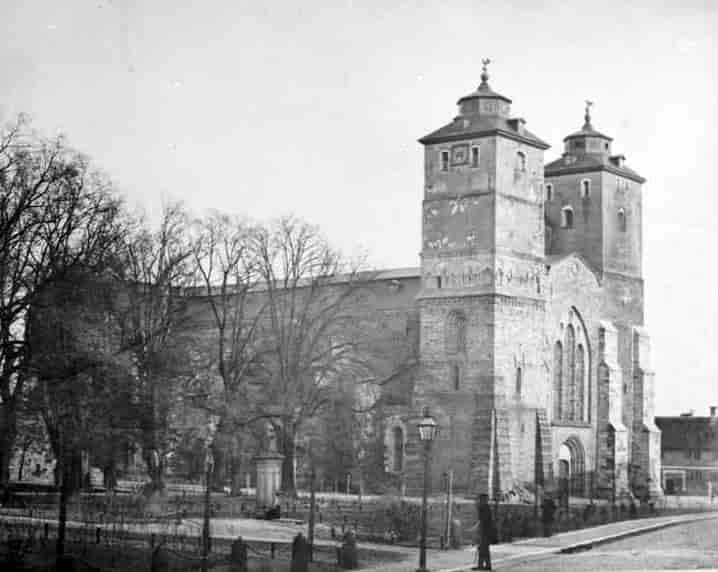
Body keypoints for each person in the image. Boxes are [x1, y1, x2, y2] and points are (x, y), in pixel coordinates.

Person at [472, 493, 493, 571]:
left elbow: (482, 521)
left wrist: (476, 528)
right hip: (484, 531)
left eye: (480, 499)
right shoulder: (483, 507)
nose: (478, 501)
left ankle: (483, 565)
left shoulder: (484, 508)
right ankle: (485, 565)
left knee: (483, 549)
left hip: (485, 532)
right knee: (483, 549)